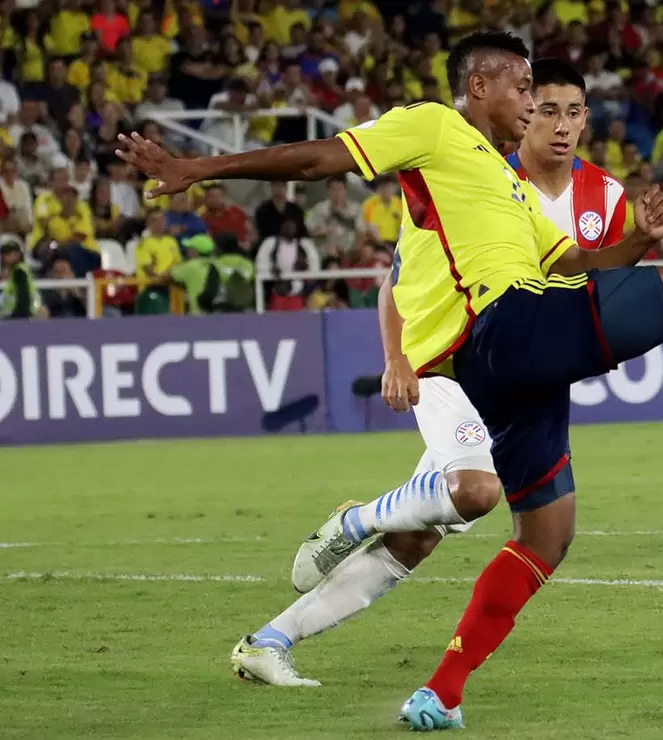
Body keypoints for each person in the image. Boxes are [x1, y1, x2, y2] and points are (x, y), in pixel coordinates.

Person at [115, 32, 663, 731]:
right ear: (480, 83)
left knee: (546, 529)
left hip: (514, 353)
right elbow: (319, 161)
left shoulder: (508, 185)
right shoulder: (433, 125)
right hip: (498, 328)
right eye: (524, 86)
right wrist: (200, 169)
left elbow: (579, 265)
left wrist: (636, 243)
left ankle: (439, 692)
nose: (532, 103)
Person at [224, 57, 631, 689]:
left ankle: (270, 641)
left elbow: (578, 281)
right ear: (512, 109)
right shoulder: (460, 174)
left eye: (570, 111)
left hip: (517, 388)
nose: (554, 121)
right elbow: (396, 281)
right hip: (450, 365)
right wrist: (397, 359)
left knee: (422, 536)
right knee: (472, 494)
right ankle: (356, 519)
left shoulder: (601, 197)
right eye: (539, 104)